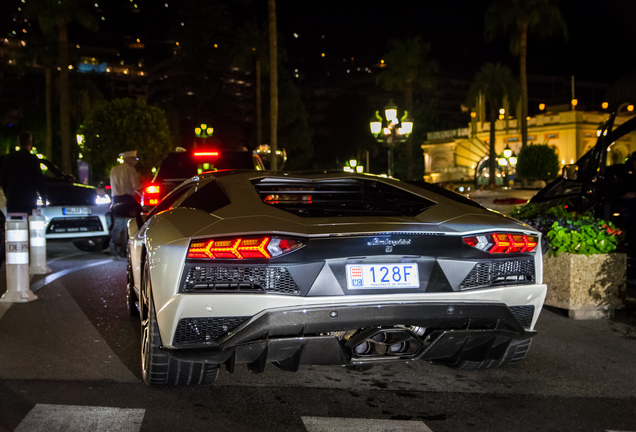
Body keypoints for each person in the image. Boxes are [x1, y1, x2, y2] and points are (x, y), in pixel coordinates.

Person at [0, 131, 47, 215]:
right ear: (30, 143)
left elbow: (3, 180)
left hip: (13, 200)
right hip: (28, 201)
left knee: (14, 223)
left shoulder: (8, 158)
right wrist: (43, 197)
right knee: (28, 223)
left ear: (19, 142)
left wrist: (8, 194)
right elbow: (39, 180)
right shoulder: (32, 159)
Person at [109, 150, 143, 219]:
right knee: (141, 211)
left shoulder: (114, 169)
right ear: (129, 159)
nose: (135, 162)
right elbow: (135, 185)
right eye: (134, 159)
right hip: (128, 200)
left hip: (115, 201)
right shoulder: (130, 169)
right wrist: (142, 185)